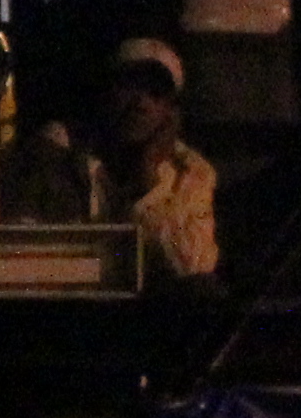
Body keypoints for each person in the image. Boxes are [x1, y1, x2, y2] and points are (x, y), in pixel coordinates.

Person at [94, 38, 224, 283]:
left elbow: (192, 267)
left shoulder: (190, 171)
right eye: (130, 87)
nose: (141, 104)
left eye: (155, 93)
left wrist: (149, 180)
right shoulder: (71, 158)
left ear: (171, 110)